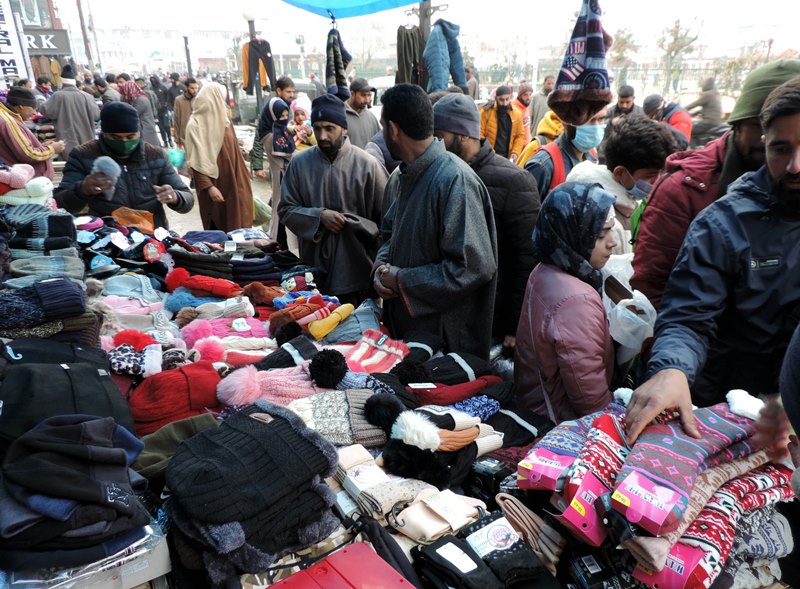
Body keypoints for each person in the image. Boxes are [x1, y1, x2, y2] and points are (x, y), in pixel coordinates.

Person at [626, 76, 800, 445]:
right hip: (730, 412)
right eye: (781, 149)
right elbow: (688, 315)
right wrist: (672, 368)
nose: (795, 165)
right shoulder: (723, 224)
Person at [631, 59, 800, 308]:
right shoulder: (686, 189)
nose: (792, 163)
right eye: (759, 126)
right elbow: (652, 292)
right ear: (736, 125)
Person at [373, 83, 498, 360]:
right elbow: (389, 233)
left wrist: (402, 280)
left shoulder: (454, 179)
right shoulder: (404, 174)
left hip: (444, 344)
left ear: (392, 129)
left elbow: (472, 267)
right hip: (408, 333)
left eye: (383, 127)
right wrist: (380, 269)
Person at [433, 93, 539, 349]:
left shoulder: (514, 181)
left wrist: (515, 326)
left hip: (492, 320)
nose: (434, 143)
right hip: (446, 316)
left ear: (463, 135)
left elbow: (526, 260)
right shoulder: (439, 174)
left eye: (440, 136)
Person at [515, 182, 618, 421]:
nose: (612, 241)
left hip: (535, 401)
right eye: (601, 233)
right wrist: (609, 421)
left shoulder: (548, 267)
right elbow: (588, 396)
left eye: (612, 230)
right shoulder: (576, 300)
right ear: (572, 233)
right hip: (559, 419)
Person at [278, 93, 388, 304]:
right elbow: (285, 209)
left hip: (359, 275)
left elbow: (388, 221)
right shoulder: (299, 164)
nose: (322, 136)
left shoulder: (368, 165)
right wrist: (319, 217)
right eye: (317, 128)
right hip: (314, 274)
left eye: (329, 128)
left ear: (344, 128)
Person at [55, 102, 193, 229]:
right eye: (116, 138)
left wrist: (175, 197)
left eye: (131, 136)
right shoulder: (83, 155)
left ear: (139, 133)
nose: (124, 143)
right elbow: (61, 203)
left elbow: (187, 198)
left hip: (153, 235)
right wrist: (82, 189)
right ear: (103, 133)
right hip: (109, 236)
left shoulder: (156, 155)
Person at [566, 115, 678, 254]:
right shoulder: (601, 218)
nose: (658, 181)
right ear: (620, 173)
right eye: (650, 176)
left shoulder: (633, 200)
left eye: (661, 172)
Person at [184, 82, 253, 232]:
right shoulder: (195, 125)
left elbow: (235, 152)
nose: (224, 103)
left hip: (234, 182)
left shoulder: (224, 121)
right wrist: (209, 187)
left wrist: (244, 178)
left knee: (239, 226)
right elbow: (195, 161)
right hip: (215, 185)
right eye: (221, 99)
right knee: (219, 227)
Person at [524, 106, 606, 200]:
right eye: (588, 119)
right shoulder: (543, 165)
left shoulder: (593, 155)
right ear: (565, 121)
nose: (596, 127)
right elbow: (524, 211)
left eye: (601, 119)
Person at [0, 87, 64, 179]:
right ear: (21, 106)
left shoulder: (9, 117)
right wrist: (52, 149)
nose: (34, 112)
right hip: (30, 182)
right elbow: (29, 154)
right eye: (32, 108)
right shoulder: (9, 122)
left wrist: (42, 146)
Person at [252, 76, 296, 208]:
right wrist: (258, 166)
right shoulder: (272, 110)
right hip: (277, 161)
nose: (291, 95)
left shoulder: (288, 110)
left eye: (293, 92)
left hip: (284, 157)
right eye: (288, 92)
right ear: (278, 91)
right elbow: (260, 138)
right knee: (279, 189)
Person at [38, 64, 100, 156]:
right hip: (88, 144)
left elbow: (46, 111)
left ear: (62, 81)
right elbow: (96, 115)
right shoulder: (88, 97)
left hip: (68, 145)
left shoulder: (58, 96)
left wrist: (39, 100)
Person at [480, 85, 524, 162]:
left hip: (507, 158)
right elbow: (479, 134)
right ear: (496, 98)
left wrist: (515, 152)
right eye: (501, 100)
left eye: (507, 99)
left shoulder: (517, 114)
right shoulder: (486, 112)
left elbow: (520, 135)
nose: (504, 103)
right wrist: (488, 150)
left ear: (510, 98)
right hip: (488, 156)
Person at [118, 81, 160, 147]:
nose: (123, 95)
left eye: (124, 93)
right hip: (144, 129)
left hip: (146, 130)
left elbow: (132, 114)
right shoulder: (136, 98)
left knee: (149, 150)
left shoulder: (141, 100)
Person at [345, 78, 381, 149]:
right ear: (352, 94)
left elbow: (379, 143)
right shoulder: (340, 116)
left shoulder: (371, 117)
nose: (367, 100)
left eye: (369, 95)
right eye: (363, 95)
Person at [171, 77, 198, 148]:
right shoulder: (179, 100)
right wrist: (177, 140)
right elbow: (176, 119)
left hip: (198, 136)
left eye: (196, 88)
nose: (194, 90)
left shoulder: (199, 99)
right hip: (185, 137)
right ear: (186, 87)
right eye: (192, 88)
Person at [149, 75, 172, 149]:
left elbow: (168, 97)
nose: (153, 81)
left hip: (164, 110)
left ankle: (170, 139)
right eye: (151, 80)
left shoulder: (163, 87)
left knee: (167, 125)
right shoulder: (151, 89)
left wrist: (166, 105)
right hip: (156, 112)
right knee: (161, 128)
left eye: (154, 79)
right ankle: (165, 141)